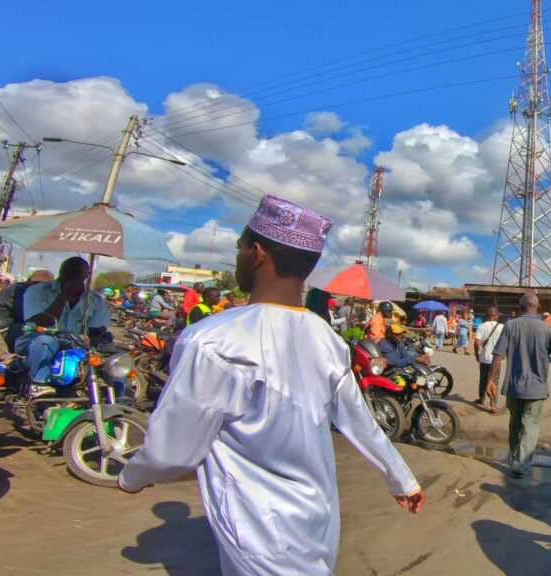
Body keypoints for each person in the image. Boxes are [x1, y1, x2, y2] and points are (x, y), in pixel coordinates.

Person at [118, 194, 425, 575]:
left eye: (240, 248)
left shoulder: (213, 340)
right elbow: (359, 421)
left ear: (257, 253)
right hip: (318, 522)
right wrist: (402, 480)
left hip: (258, 531)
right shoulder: (325, 337)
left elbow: (172, 452)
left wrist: (132, 476)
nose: (238, 256)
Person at [488, 294, 551, 478]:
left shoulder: (510, 325)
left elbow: (499, 354)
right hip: (537, 388)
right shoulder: (548, 329)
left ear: (520, 307)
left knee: (515, 424)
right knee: (530, 425)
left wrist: (491, 380)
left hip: (514, 387)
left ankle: (516, 457)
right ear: (538, 308)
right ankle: (521, 464)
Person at [19, 257, 111, 392]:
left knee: (114, 359)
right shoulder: (38, 291)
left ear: (86, 276)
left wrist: (95, 341)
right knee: (45, 341)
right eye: (70, 272)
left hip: (76, 345)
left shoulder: (95, 299)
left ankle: (117, 399)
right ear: (61, 272)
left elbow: (97, 329)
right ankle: (38, 384)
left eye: (78, 273)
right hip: (39, 342)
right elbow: (43, 321)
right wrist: (65, 293)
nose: (73, 276)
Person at [0, 269, 54, 361]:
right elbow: (34, 317)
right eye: (39, 284)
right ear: (30, 282)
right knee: (10, 362)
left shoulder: (23, 289)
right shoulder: (21, 291)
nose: (41, 288)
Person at [474, 307, 505, 413]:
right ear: (495, 315)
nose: (498, 316)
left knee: (483, 379)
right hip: (496, 360)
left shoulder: (481, 326)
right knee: (494, 380)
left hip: (484, 358)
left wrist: (477, 354)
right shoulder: (502, 327)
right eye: (498, 315)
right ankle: (493, 405)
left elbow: (477, 342)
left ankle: (481, 399)